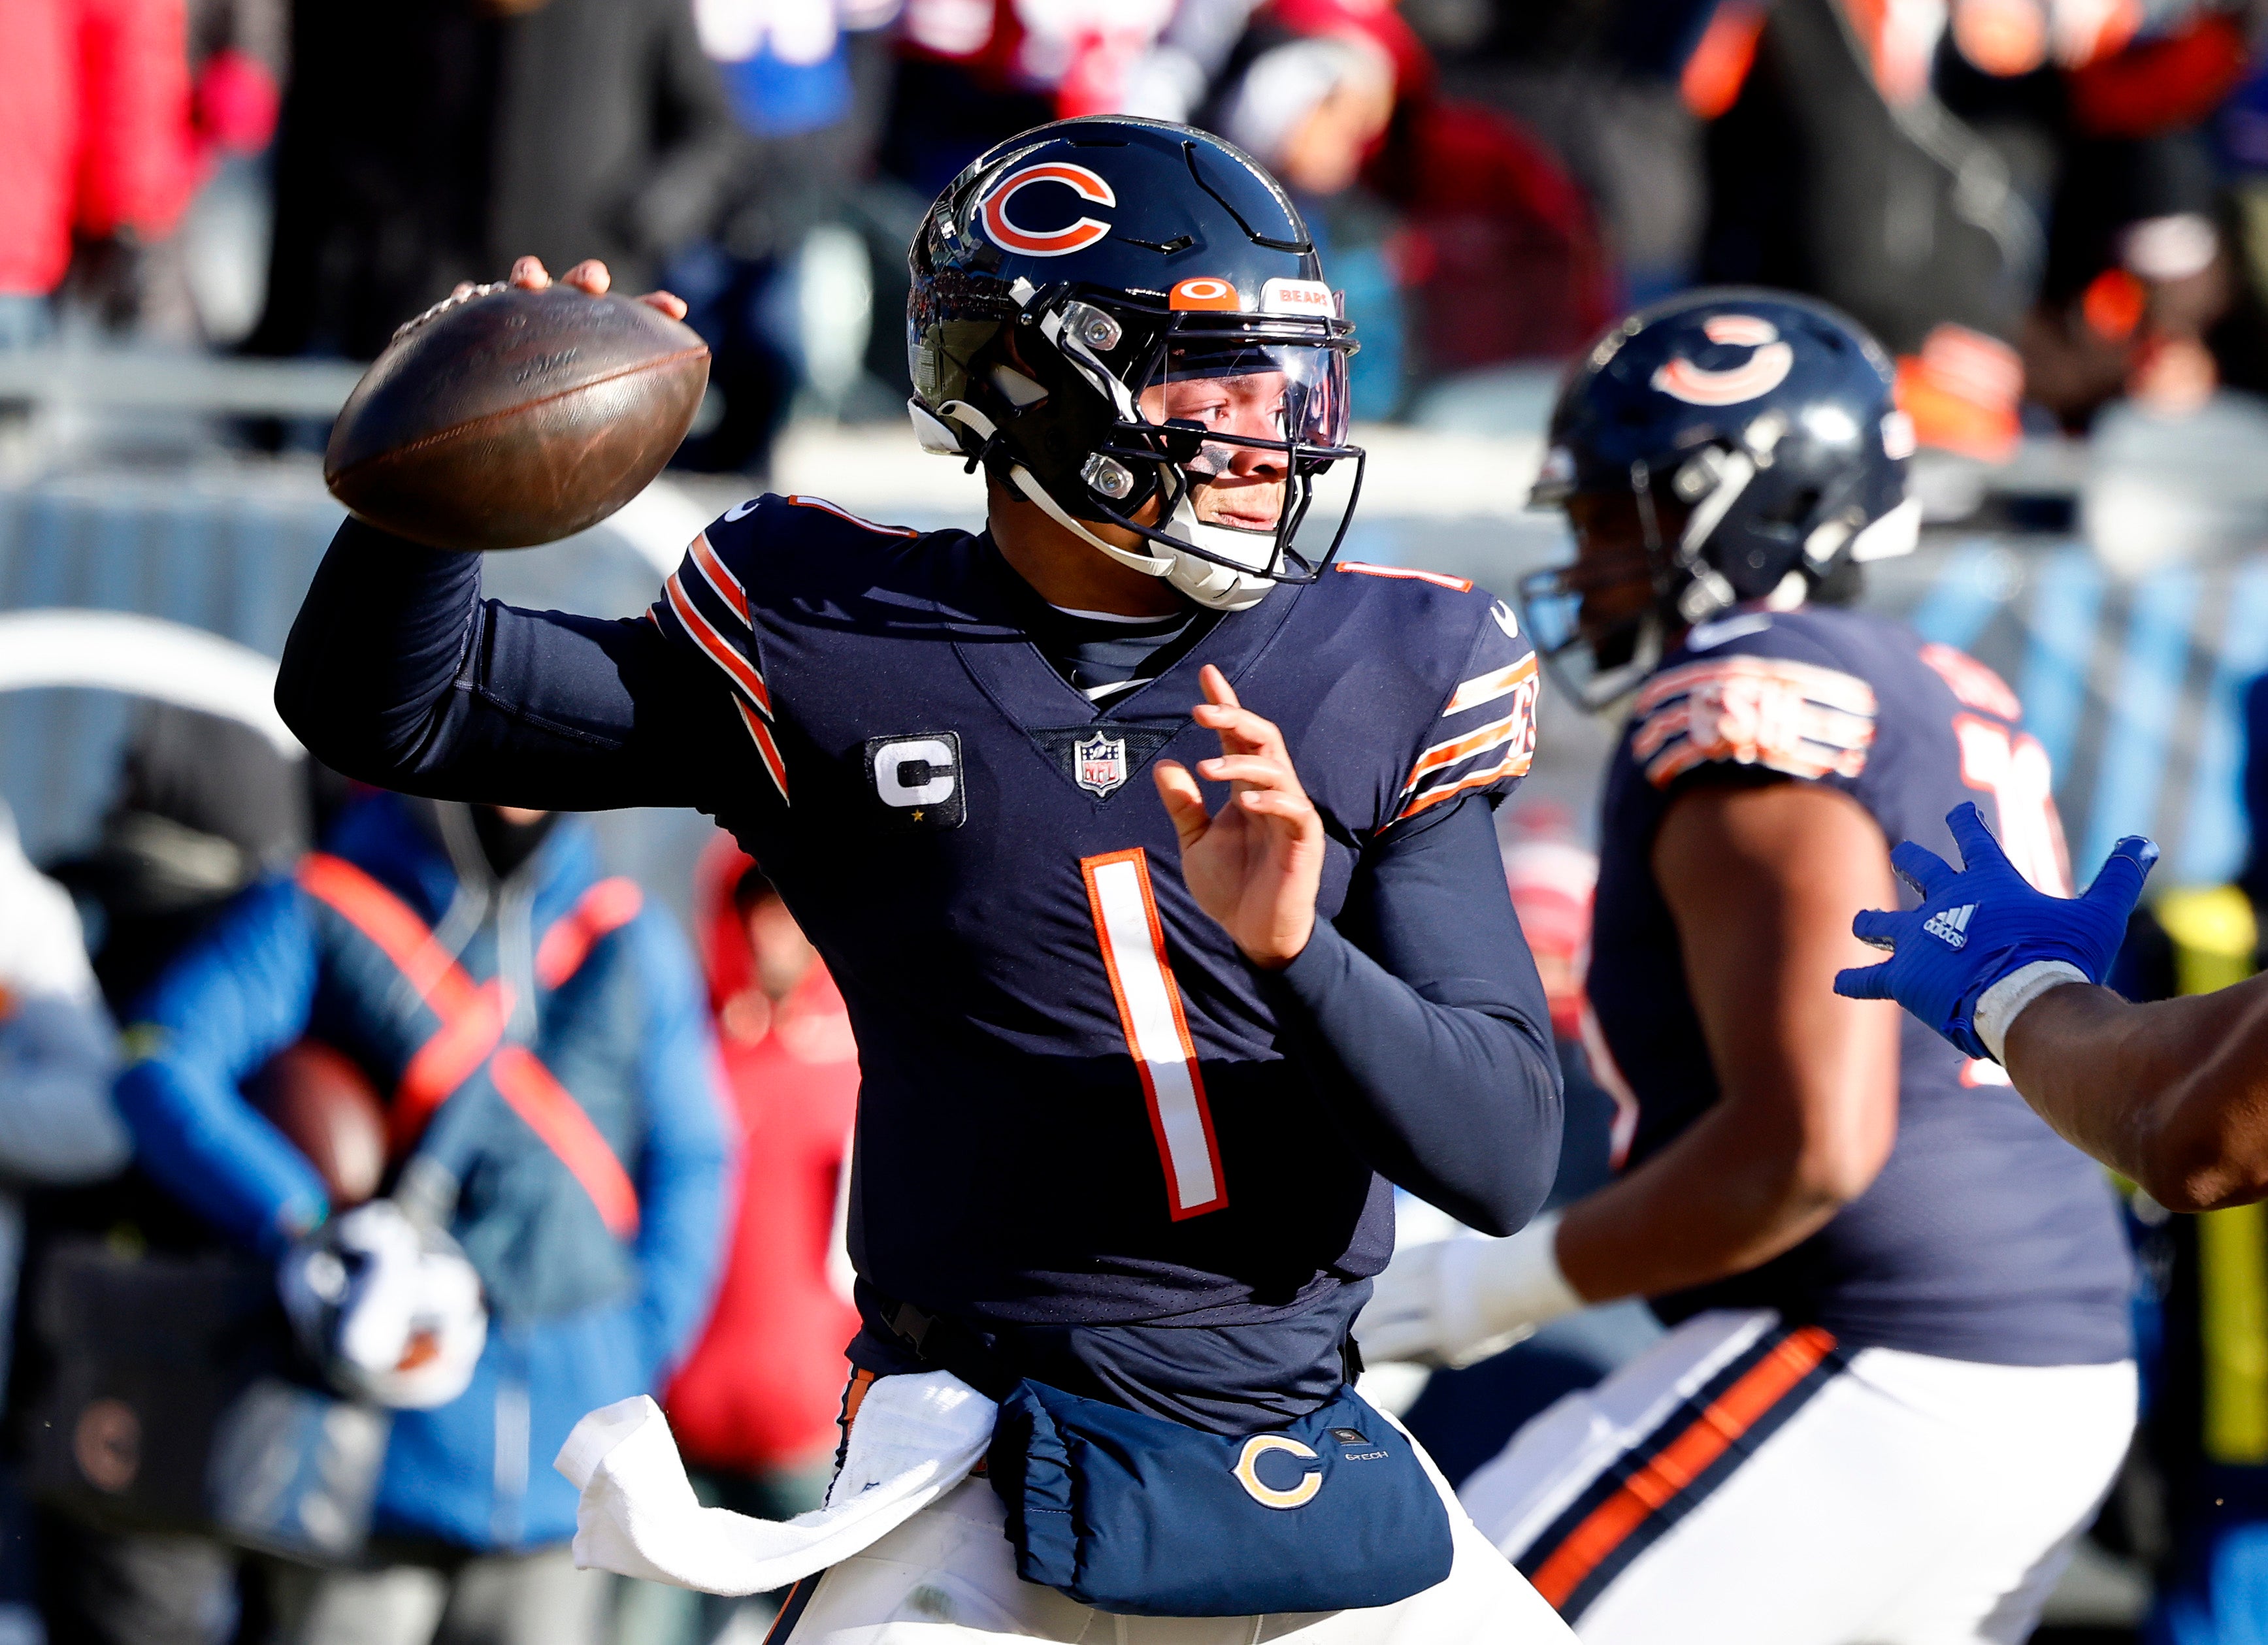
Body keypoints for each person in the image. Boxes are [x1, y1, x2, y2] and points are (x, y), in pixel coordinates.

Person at [274, 115, 1572, 1641]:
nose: (1264, 433)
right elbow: (390, 705)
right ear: (1031, 387)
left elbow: (1498, 1154)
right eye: (1206, 380)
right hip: (965, 1460)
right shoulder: (826, 635)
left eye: (1284, 381)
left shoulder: (1388, 663)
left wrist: (1297, 947)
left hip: (1293, 1455)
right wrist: (443, 470)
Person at [1359, 289, 2138, 1645]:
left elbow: (1808, 1149)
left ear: (1730, 511)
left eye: (1611, 515)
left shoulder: (1747, 696)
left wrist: (1476, 1295)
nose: (1585, 556)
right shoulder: (1936, 676)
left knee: (1420, 1625)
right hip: (2029, 1351)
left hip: (1884, 1351)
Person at [110, 793, 731, 1645]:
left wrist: (641, 1339)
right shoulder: (328, 900)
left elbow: (696, 1156)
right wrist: (300, 1222)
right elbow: (158, 1057)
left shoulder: (624, 935)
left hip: (564, 1488)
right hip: (366, 1472)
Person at [625, 843, 860, 1645]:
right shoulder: (686, 1057)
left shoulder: (864, 1068)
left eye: (792, 910)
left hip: (811, 1433)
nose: (774, 931)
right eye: (755, 908)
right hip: (680, 1425)